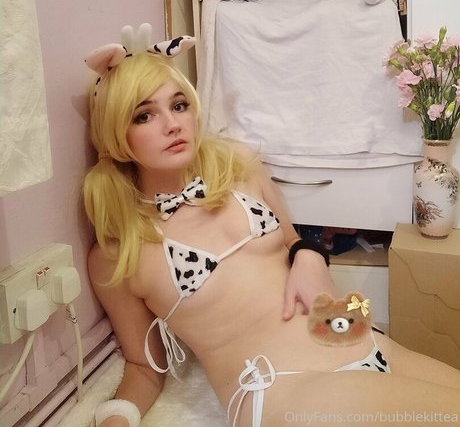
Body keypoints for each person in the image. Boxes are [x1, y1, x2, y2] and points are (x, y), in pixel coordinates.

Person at [83, 25, 460, 427]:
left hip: (364, 343)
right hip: (282, 387)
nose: (172, 124)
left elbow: (293, 239)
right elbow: (143, 366)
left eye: (179, 105)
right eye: (144, 115)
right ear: (116, 133)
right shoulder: (117, 254)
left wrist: (311, 257)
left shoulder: (238, 167)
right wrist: (117, 417)